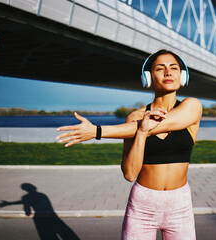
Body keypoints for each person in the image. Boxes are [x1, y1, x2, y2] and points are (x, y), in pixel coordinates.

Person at [56, 49, 202, 239]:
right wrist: (141, 132)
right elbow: (130, 173)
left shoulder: (192, 107)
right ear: (148, 77)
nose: (168, 73)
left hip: (180, 205)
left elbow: (164, 124)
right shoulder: (134, 118)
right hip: (143, 205)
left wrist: (97, 131)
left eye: (174, 68)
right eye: (160, 68)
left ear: (182, 76)